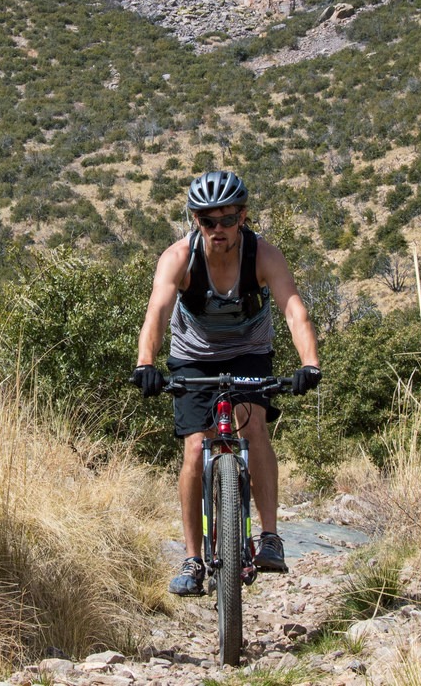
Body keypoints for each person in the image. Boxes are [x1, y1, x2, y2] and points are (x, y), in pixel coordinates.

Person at [133, 170, 321, 596]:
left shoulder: (263, 256)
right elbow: (157, 314)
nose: (218, 230)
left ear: (244, 217)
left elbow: (295, 311)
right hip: (193, 356)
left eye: (228, 219)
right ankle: (192, 558)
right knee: (194, 448)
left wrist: (309, 363)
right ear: (195, 221)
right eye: (207, 221)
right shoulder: (179, 258)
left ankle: (269, 537)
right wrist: (146, 363)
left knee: (254, 429)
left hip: (249, 350)